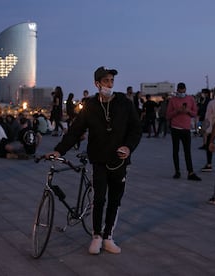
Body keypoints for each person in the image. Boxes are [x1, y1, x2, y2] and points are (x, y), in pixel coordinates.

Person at [44, 66, 142, 255]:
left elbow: (136, 129)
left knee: (115, 200)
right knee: (99, 198)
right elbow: (75, 131)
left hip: (120, 161)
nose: (110, 84)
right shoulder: (90, 106)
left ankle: (108, 237)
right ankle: (96, 236)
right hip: (98, 160)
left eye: (112, 80)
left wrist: (128, 147)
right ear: (97, 84)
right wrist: (58, 150)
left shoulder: (124, 102)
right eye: (106, 81)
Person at [166, 82, 201, 181]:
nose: (181, 92)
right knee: (175, 151)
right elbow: (167, 115)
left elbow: (194, 113)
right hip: (175, 128)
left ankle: (190, 172)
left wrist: (188, 111)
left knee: (187, 151)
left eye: (183, 90)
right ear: (177, 90)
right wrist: (177, 111)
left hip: (186, 129)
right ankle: (177, 171)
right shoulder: (173, 100)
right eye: (179, 90)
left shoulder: (190, 99)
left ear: (185, 89)